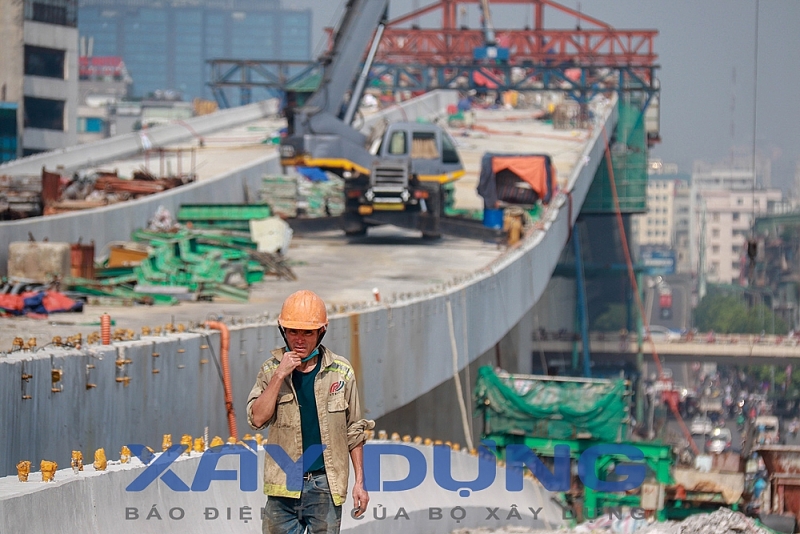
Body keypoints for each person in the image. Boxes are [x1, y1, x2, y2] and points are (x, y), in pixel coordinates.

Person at [247, 290, 374, 533]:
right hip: (283, 486)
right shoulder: (270, 370)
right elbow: (257, 418)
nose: (299, 340)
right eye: (293, 331)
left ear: (321, 332)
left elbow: (355, 431)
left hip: (325, 485)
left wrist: (360, 483)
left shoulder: (341, 372)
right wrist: (279, 375)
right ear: (283, 331)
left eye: (307, 332)